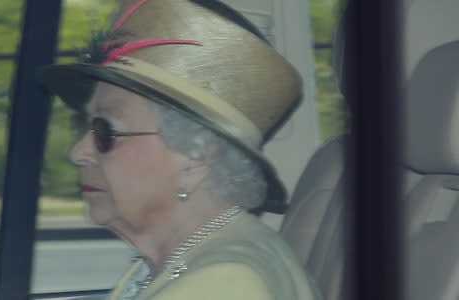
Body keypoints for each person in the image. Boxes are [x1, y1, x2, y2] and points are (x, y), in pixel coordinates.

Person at [38, 0, 320, 299]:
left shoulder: (223, 283)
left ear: (194, 158)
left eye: (106, 132)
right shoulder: (185, 258)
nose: (79, 152)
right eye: (86, 127)